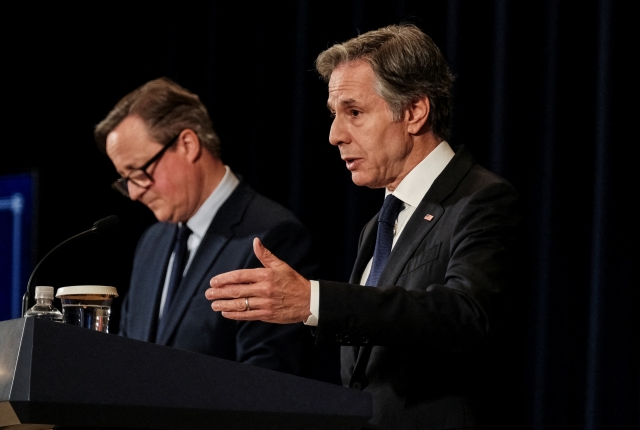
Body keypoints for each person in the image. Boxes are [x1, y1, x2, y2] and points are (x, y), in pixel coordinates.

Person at [206, 24, 520, 429]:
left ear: (414, 111)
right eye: (334, 115)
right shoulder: (378, 225)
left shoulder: (481, 198)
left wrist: (314, 301)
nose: (335, 135)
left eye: (354, 112)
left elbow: (464, 315)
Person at [94, 77, 317, 375]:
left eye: (138, 172)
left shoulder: (272, 237)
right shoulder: (152, 241)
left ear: (187, 144)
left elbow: (266, 378)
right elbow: (128, 356)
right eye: (125, 180)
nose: (134, 193)